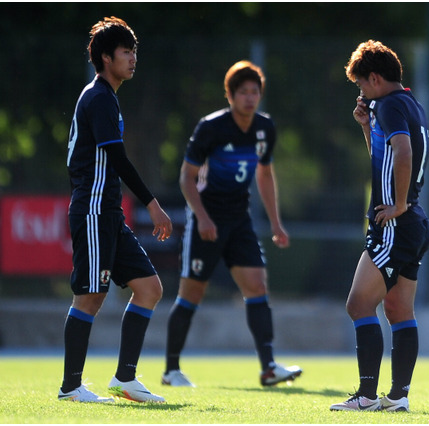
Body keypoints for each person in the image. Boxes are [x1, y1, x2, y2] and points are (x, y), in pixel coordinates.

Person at [162, 60, 302, 388]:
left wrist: (276, 223)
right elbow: (187, 176)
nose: (250, 98)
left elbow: (265, 174)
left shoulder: (265, 128)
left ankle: (268, 367)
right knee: (191, 294)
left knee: (257, 286)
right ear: (230, 95)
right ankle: (171, 370)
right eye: (243, 92)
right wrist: (203, 217)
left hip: (239, 221)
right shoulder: (211, 127)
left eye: (255, 92)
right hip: (207, 221)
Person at [59, 16, 173, 403]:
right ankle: (70, 387)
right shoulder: (99, 97)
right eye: (126, 51)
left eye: (134, 50)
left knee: (149, 288)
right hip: (93, 210)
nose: (133, 57)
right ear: (106, 57)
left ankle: (125, 379)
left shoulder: (107, 97)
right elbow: (118, 159)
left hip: (108, 213)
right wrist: (153, 204)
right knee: (89, 297)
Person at [330, 40, 429, 412]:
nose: (361, 92)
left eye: (361, 85)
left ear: (374, 78)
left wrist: (399, 204)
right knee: (399, 310)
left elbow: (402, 151)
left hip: (396, 223)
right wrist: (365, 126)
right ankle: (398, 396)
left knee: (358, 304)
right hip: (414, 222)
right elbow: (386, 155)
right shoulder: (408, 103)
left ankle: (368, 396)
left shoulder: (388, 104)